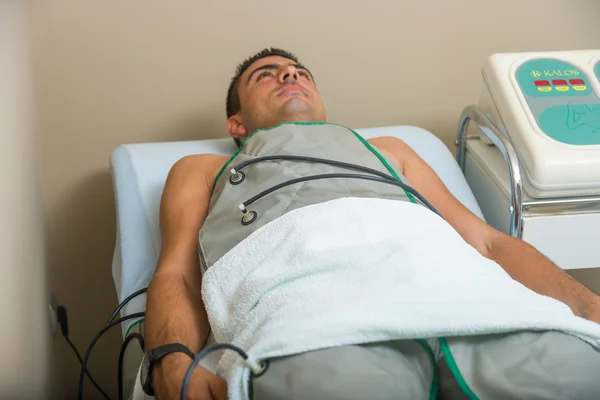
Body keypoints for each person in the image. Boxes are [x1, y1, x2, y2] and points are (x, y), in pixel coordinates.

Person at [143, 48, 600, 400]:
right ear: (236, 123)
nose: (290, 75)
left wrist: (587, 306)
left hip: (464, 292)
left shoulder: (390, 148)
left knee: (573, 371)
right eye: (267, 74)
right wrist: (171, 357)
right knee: (337, 385)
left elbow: (487, 243)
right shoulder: (201, 167)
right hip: (314, 313)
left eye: (300, 72)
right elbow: (177, 273)